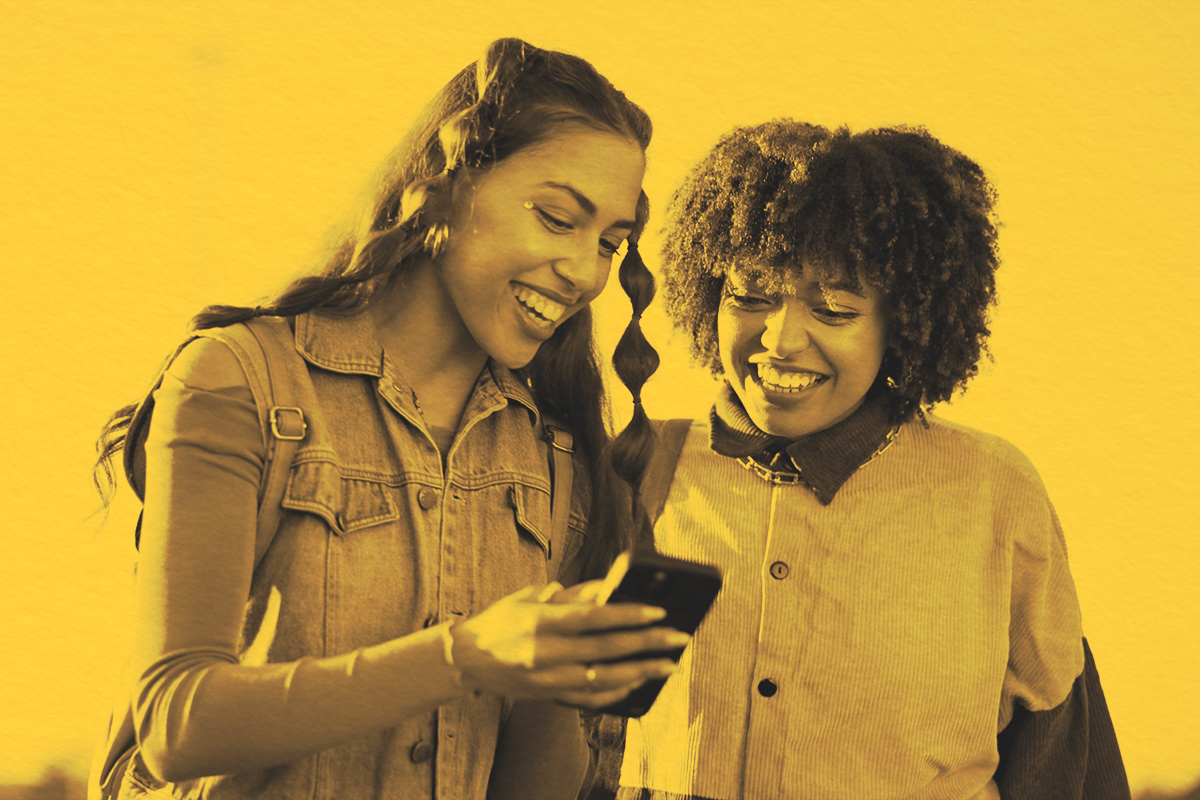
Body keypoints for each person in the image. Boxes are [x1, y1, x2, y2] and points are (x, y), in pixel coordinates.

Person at [89, 38, 683, 800]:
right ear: (450, 185)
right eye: (557, 218)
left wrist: (550, 676)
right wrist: (465, 656)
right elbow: (176, 724)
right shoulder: (241, 379)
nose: (585, 272)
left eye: (610, 243)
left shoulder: (555, 458)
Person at [610, 121, 1130, 799]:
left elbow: (1062, 762)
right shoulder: (634, 468)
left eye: (832, 308)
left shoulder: (993, 492)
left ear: (906, 322)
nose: (781, 339)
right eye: (750, 295)